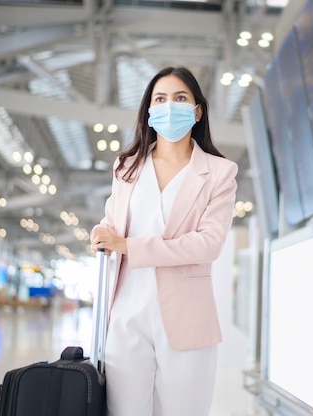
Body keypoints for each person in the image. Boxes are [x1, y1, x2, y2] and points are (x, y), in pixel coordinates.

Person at [90, 66, 238, 416]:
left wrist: (129, 246)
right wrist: (101, 233)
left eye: (180, 98)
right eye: (160, 99)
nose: (169, 105)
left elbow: (208, 244)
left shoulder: (219, 172)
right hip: (126, 311)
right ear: (149, 110)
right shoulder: (126, 167)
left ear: (197, 110)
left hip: (186, 318)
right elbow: (113, 223)